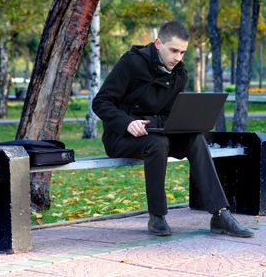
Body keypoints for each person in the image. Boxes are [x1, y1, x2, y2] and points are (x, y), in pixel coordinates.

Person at [92, 21, 253, 238]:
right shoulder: (131, 63)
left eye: (183, 52)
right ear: (158, 44)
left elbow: (171, 113)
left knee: (195, 139)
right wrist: (127, 122)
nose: (178, 57)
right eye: (173, 50)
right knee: (157, 143)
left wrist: (182, 123)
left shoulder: (179, 74)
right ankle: (157, 216)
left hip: (159, 132)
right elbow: (101, 102)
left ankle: (220, 214)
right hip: (121, 136)